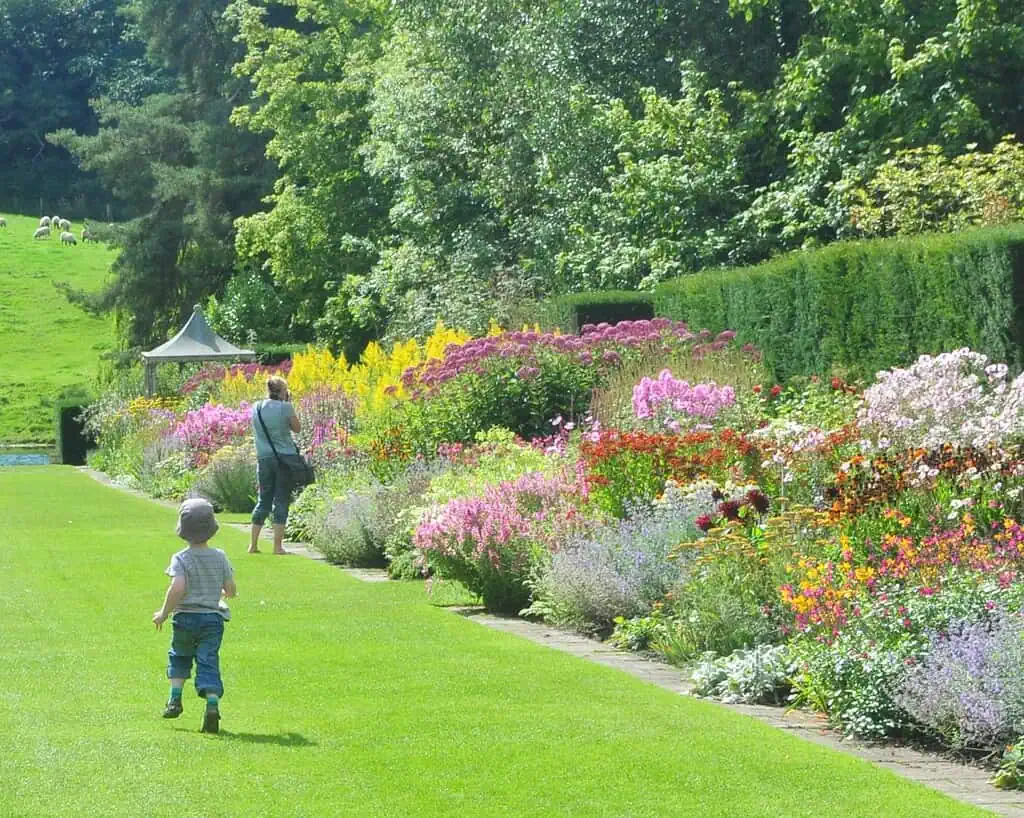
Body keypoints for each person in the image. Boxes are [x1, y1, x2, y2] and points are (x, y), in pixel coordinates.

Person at [153, 498, 236, 734]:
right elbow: (230, 589)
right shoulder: (220, 556)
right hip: (212, 619)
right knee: (208, 659)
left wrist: (163, 613)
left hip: (185, 618)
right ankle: (211, 704)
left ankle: (175, 699)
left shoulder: (181, 558)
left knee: (179, 655)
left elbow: (178, 588)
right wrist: (218, 591)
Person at [250, 375, 301, 555]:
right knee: (281, 499)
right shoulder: (285, 407)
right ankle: (277, 547)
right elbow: (297, 428)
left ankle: (253, 545)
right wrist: (287, 404)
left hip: (263, 458)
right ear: (281, 391)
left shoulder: (255, 407)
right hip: (284, 459)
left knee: (263, 499)